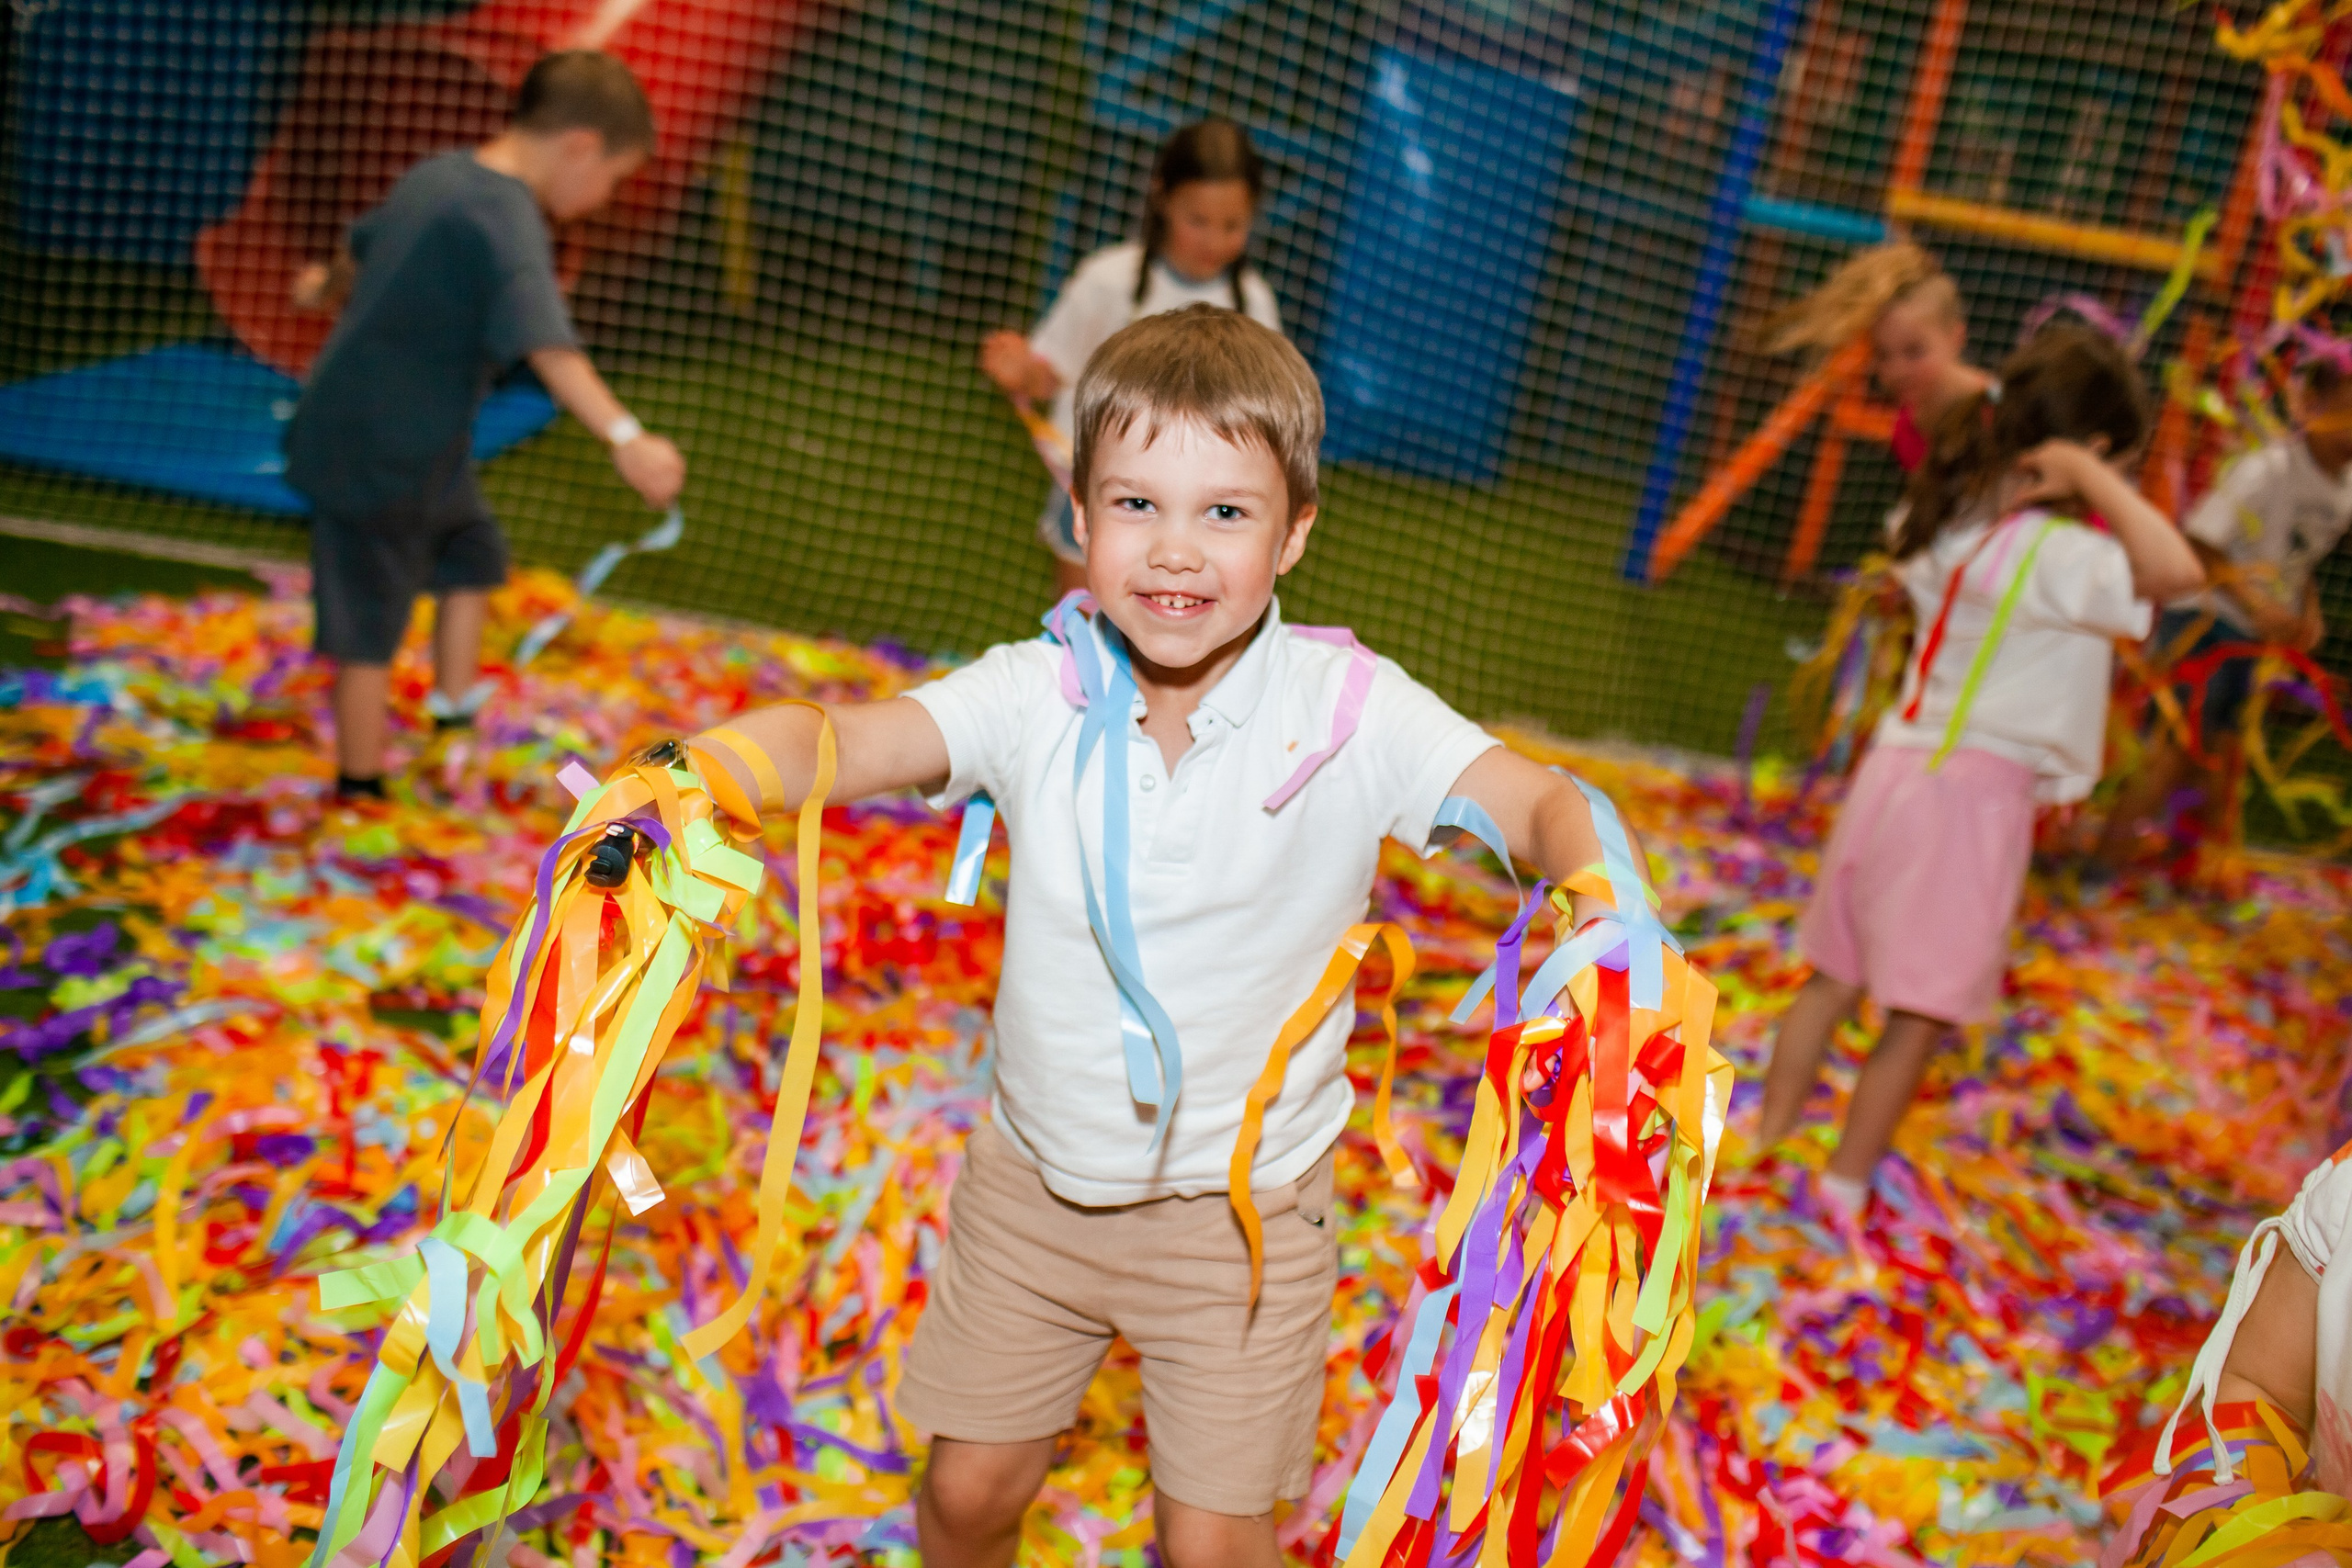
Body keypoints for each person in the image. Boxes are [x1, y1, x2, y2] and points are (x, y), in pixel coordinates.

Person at [686, 306, 1634, 1568]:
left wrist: (1599, 897)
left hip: (1242, 1225)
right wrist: (694, 773)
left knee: (1210, 1543)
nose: (1175, 549)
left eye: (1225, 512)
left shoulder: (1352, 713)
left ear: (1295, 532)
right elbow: (848, 740)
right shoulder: (1035, 690)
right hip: (1034, 1188)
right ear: (1080, 516)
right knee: (966, 1493)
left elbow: (1539, 802)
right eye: (1136, 504)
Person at [1753, 326, 2204, 1214]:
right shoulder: (2066, 556)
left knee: (1833, 978)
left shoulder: (1954, 518)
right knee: (1918, 1014)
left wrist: (2068, 462)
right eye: (2122, 461)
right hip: (1969, 801)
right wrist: (2093, 477)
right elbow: (2178, 572)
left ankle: (1763, 1142)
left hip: (1892, 772)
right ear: (2093, 448)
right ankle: (1841, 1192)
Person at [285, 50, 686, 804]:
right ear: (580, 147)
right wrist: (627, 438)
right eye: (614, 178)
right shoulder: (507, 217)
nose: (606, 198)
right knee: (367, 620)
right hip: (374, 447)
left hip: (415, 437)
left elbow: (362, 246)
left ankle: (454, 715)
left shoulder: (439, 174)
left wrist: (323, 287)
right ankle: (360, 786)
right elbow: (550, 347)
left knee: (470, 552)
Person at [979, 118, 1282, 598]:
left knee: (1171, 631)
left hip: (1196, 517)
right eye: (1198, 221)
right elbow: (1050, 375)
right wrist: (1022, 371)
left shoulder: (1255, 305)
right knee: (1082, 621)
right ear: (1162, 197)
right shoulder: (1108, 281)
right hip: (1097, 488)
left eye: (1232, 226)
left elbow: (1267, 419)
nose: (1213, 241)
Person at [2092, 356, 2352, 871]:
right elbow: (2200, 544)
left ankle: (2185, 871)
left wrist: (2308, 611)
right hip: (2204, 620)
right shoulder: (2268, 469)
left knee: (2224, 758)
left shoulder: (2345, 491)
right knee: (2172, 749)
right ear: (2311, 405)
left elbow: (2298, 557)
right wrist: (2256, 603)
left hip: (2255, 636)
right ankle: (2100, 869)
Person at [1763, 241, 1994, 472]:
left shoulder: (1994, 404)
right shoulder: (1907, 426)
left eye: (1914, 351)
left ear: (1956, 337)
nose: (1897, 371)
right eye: (1883, 355)